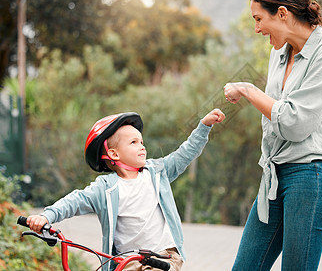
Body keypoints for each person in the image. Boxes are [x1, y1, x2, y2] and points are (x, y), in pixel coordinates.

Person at [224, 0, 322, 271]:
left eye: (259, 19)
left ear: (282, 13)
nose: (257, 29)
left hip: (313, 176)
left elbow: (295, 123)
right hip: (275, 176)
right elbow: (275, 120)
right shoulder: (278, 54)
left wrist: (249, 90)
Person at [26, 109, 225, 271]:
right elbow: (74, 201)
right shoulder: (105, 189)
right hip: (127, 262)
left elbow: (185, 153)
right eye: (133, 142)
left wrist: (204, 126)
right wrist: (47, 216)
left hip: (164, 257)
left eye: (142, 142)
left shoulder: (156, 172)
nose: (142, 147)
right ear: (113, 153)